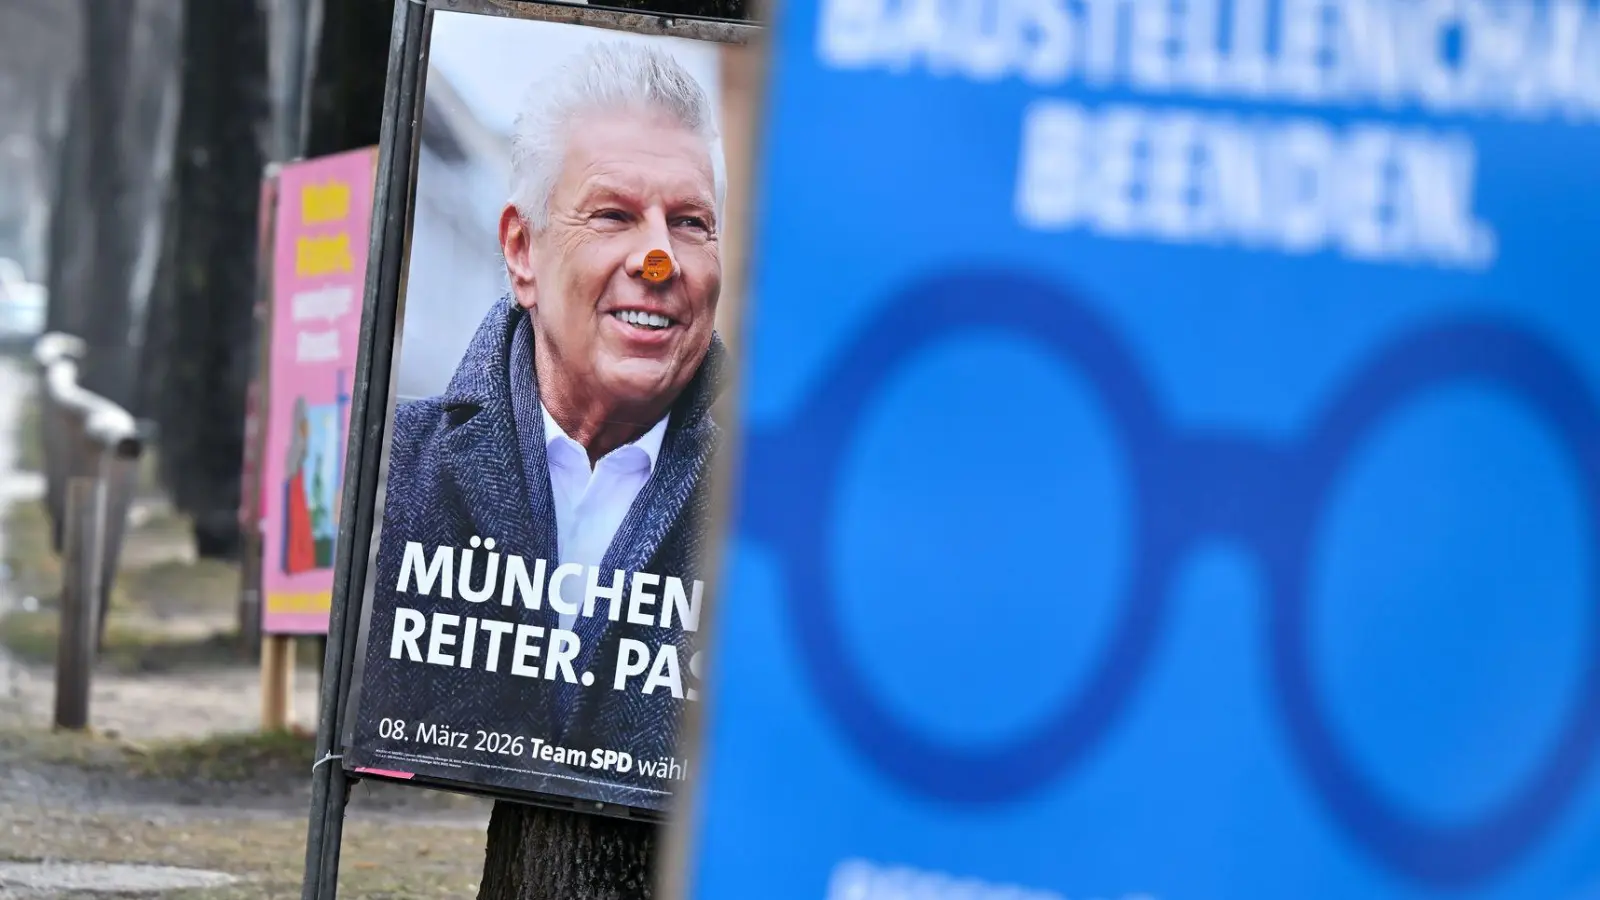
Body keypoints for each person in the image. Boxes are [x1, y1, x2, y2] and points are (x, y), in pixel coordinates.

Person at [367, 40, 727, 796]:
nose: (658, 258)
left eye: (690, 222)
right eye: (614, 215)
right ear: (522, 251)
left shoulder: (769, 517)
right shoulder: (393, 471)